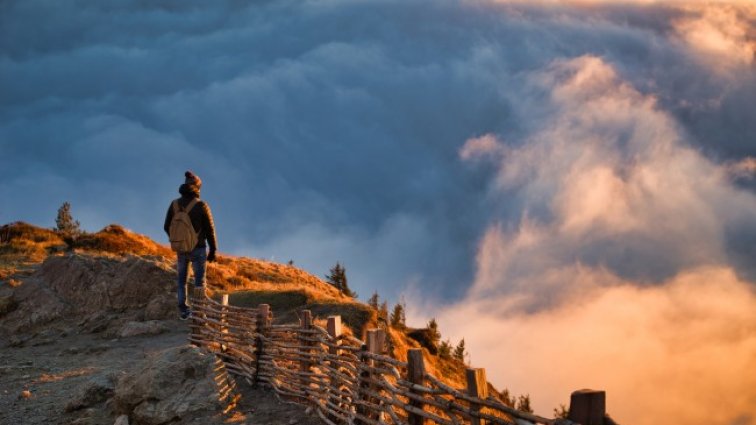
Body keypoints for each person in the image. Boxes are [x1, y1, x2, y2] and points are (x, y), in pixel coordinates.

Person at [164, 171, 218, 320]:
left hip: (181, 249)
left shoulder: (174, 204)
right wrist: (213, 250)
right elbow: (210, 230)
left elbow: (166, 226)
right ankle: (199, 311)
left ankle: (183, 310)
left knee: (182, 281)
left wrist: (177, 240)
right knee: (199, 282)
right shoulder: (201, 205)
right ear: (197, 187)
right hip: (198, 248)